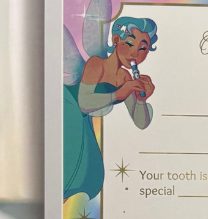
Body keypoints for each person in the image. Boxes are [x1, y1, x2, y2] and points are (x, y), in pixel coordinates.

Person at [63, 17, 157, 202]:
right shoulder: (96, 64)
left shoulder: (125, 78)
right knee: (72, 163)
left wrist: (141, 100)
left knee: (88, 169)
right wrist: (119, 93)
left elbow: (141, 123)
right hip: (67, 109)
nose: (135, 53)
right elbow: (84, 102)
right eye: (129, 44)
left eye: (143, 48)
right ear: (115, 41)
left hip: (82, 118)